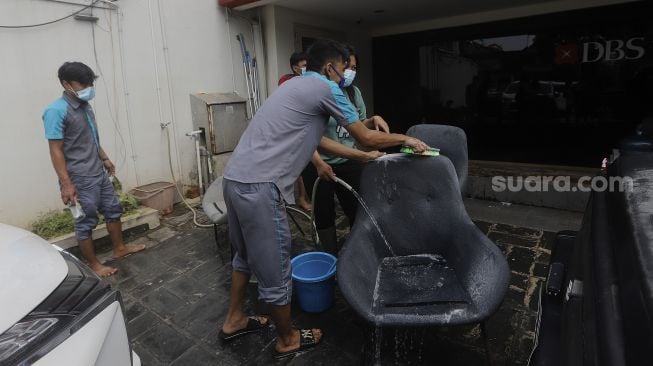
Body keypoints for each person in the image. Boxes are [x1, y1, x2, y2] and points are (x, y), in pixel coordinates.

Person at [219, 39, 428, 359]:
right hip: (261, 188)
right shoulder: (327, 89)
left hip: (235, 180)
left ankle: (234, 319)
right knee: (277, 268)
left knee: (243, 257)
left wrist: (359, 158)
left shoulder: (296, 86)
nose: (347, 74)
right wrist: (405, 138)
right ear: (330, 67)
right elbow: (367, 135)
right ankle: (287, 338)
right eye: (345, 68)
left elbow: (319, 141)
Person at [42, 62, 145, 277]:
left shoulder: (84, 105)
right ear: (66, 84)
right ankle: (94, 265)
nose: (88, 88)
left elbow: (90, 137)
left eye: (90, 83)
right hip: (78, 179)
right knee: (85, 221)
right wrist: (67, 184)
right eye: (83, 84)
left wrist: (104, 158)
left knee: (113, 209)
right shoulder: (56, 111)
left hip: (97, 172)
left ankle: (120, 248)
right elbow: (56, 151)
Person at [302, 45, 389, 254]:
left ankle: (358, 253)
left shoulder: (352, 92)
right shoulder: (316, 92)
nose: (350, 71)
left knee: (357, 210)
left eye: (354, 67)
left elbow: (359, 126)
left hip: (348, 162)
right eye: (347, 66)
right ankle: (330, 257)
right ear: (332, 68)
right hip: (318, 164)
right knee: (324, 215)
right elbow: (306, 134)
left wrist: (372, 119)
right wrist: (318, 162)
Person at [278, 52, 312, 212]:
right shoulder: (286, 80)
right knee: (298, 164)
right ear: (295, 68)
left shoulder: (313, 79)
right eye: (304, 65)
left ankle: (304, 196)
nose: (307, 68)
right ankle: (300, 198)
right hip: (291, 128)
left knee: (307, 162)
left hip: (308, 126)